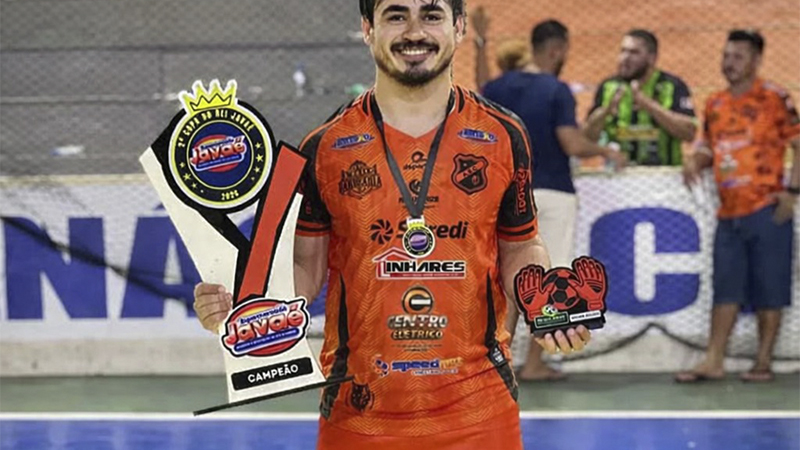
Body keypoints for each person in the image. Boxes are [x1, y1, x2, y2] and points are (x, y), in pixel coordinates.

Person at [193, 1, 592, 449]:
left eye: (432, 15)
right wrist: (246, 305)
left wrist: (542, 302)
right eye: (396, 16)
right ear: (368, 28)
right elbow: (305, 266)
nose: (415, 32)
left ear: (460, 27)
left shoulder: (503, 135)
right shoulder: (324, 146)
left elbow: (520, 245)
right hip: (357, 415)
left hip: (481, 413)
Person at [480, 19, 626, 382]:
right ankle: (534, 364)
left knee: (505, 279)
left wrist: (481, 43)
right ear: (556, 49)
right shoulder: (556, 90)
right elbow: (572, 144)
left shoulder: (498, 87)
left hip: (505, 194)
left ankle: (499, 360)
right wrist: (605, 150)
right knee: (548, 280)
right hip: (553, 193)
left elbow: (483, 100)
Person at [678, 30, 799, 383]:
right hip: (728, 212)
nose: (729, 63)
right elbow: (708, 145)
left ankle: (763, 362)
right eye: (726, 56)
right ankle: (713, 360)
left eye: (738, 57)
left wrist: (793, 192)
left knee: (770, 289)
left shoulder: (775, 97)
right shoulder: (715, 103)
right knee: (725, 288)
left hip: (767, 208)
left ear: (756, 61)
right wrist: (695, 160)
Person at [584, 29, 697, 166]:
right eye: (623, 51)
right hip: (618, 173)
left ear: (652, 58)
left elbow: (689, 133)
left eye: (634, 53)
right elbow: (587, 138)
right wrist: (605, 112)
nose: (625, 58)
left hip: (664, 173)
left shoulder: (671, 86)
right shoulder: (609, 86)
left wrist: (648, 105)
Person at [471, 5, 529, 90]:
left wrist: (481, 38)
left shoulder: (498, 92)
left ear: (501, 65)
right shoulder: (539, 87)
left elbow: (483, 85)